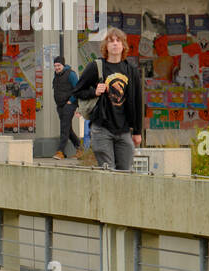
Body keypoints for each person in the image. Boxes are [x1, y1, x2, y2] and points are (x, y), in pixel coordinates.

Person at [70, 28, 144, 171]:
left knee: (125, 171)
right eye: (111, 41)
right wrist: (94, 92)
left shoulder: (131, 70)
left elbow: (137, 102)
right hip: (102, 129)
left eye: (118, 41)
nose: (115, 44)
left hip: (124, 130)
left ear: (123, 45)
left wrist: (137, 131)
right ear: (105, 46)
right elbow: (77, 91)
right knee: (107, 171)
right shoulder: (96, 67)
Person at [52, 54, 82, 159]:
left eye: (58, 65)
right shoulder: (56, 75)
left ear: (63, 65)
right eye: (55, 66)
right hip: (60, 105)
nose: (56, 68)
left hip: (69, 104)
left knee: (64, 128)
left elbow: (78, 89)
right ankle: (80, 148)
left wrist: (71, 101)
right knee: (68, 129)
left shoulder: (71, 74)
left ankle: (60, 152)